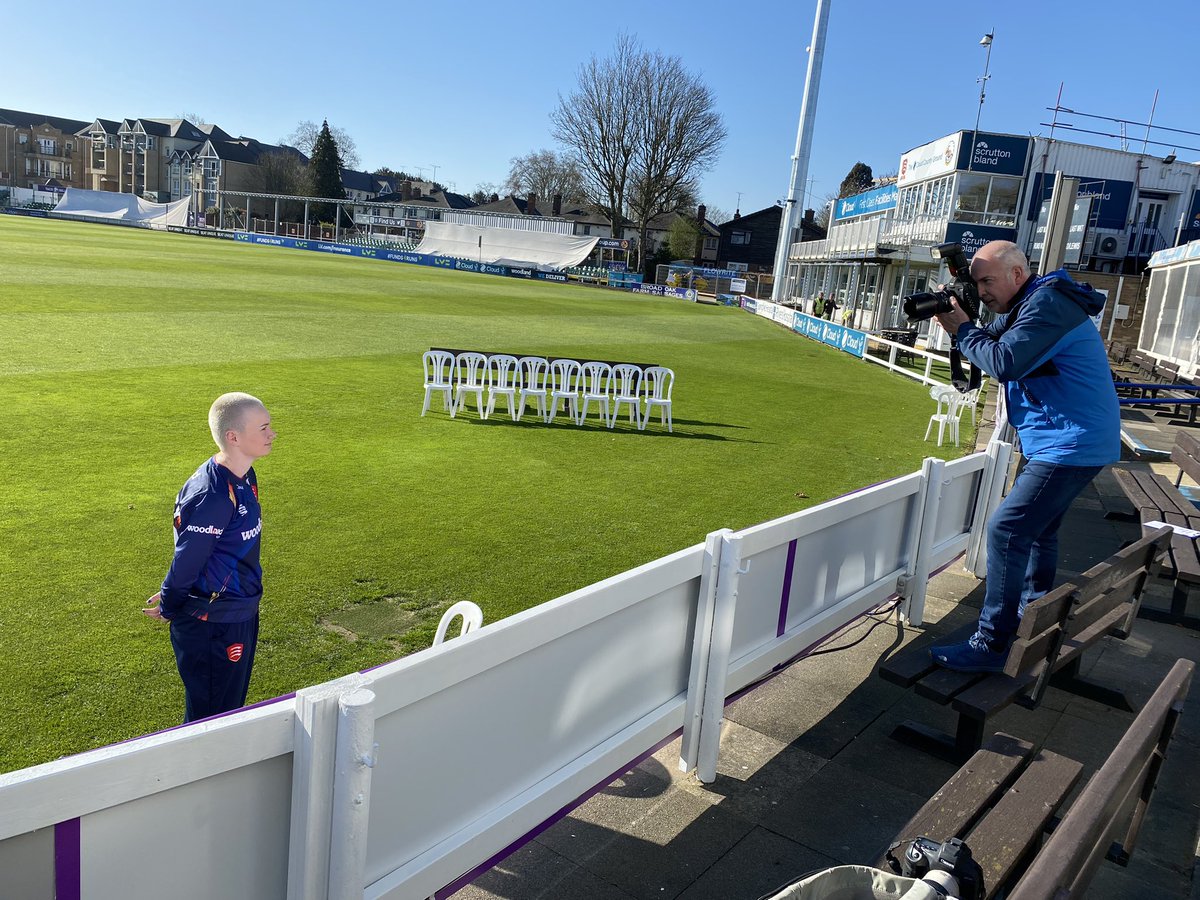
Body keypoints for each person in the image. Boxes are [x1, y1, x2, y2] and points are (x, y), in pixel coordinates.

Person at [928, 241, 1119, 672]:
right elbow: (990, 342)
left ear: (1017, 274)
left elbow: (1004, 362)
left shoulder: (1047, 305)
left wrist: (962, 327)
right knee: (1040, 532)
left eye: (987, 281)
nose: (983, 290)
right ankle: (1032, 618)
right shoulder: (1032, 304)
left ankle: (992, 644)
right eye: (976, 282)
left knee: (1007, 531)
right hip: (1067, 441)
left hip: (1071, 443)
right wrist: (960, 315)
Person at [143, 393, 277, 721]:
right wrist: (173, 604)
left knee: (228, 710)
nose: (272, 434)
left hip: (238, 610)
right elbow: (187, 559)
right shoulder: (215, 496)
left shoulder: (245, 475)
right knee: (211, 720)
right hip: (214, 622)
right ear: (233, 437)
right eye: (263, 428)